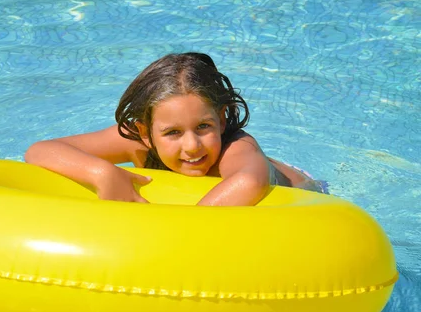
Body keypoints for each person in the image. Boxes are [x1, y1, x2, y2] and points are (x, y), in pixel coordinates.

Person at [24, 52, 327, 206]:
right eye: (172, 133)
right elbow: (40, 151)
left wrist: (176, 228)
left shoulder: (236, 148)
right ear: (145, 133)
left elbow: (249, 182)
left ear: (222, 121)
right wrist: (102, 173)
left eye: (204, 127)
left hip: (303, 192)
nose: (192, 146)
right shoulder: (137, 140)